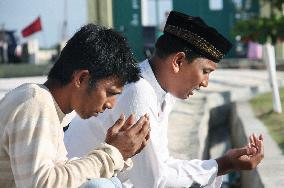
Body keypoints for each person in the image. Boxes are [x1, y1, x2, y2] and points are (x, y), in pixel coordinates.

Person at [64, 11, 264, 188]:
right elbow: (154, 181)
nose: (205, 83)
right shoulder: (139, 90)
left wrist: (221, 164)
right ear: (178, 61)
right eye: (205, 71)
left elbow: (162, 164)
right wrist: (223, 165)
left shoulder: (160, 91)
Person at [0, 24, 150, 188]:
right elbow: (41, 184)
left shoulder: (46, 106)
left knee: (109, 182)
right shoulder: (35, 102)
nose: (110, 104)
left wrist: (114, 153)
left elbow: (60, 174)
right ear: (81, 78)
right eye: (109, 92)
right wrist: (111, 154)